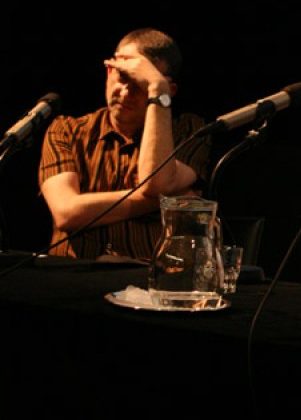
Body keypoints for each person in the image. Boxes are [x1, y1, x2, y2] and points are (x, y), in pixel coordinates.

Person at [38, 27, 211, 261]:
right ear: (109, 71)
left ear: (170, 91)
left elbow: (155, 183)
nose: (126, 91)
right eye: (123, 77)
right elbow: (66, 213)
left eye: (141, 84)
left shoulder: (189, 131)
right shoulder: (67, 129)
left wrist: (157, 90)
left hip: (148, 281)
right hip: (72, 276)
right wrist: (157, 202)